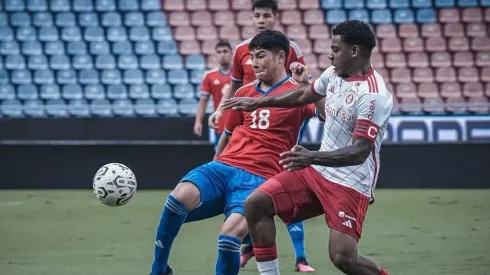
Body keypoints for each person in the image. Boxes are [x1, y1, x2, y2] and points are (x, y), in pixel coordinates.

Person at [223, 20, 393, 275]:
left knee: (343, 258)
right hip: (316, 171)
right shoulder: (334, 73)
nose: (329, 54)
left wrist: (311, 156)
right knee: (255, 204)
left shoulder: (373, 95)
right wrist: (261, 102)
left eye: (335, 49)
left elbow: (359, 151)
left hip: (351, 182)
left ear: (355, 51)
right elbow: (304, 95)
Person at [150, 30, 321, 275]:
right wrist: (214, 164)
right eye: (252, 56)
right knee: (178, 197)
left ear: (281, 56)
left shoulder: (300, 92)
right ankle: (158, 270)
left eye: (261, 56)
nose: (254, 62)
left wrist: (308, 85)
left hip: (261, 179)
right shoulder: (244, 93)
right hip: (224, 167)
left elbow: (327, 115)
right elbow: (228, 134)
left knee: (228, 239)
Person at [208, 1, 316, 271]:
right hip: (248, 120)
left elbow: (302, 90)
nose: (261, 20)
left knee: (281, 186)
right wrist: (222, 111)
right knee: (248, 196)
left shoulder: (291, 49)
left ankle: (300, 256)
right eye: (256, 15)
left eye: (266, 15)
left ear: (275, 18)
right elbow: (235, 87)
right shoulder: (240, 50)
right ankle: (247, 247)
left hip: (281, 123)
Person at [193, 41, 233, 149]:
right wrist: (198, 122)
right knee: (220, 158)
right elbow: (203, 101)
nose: (222, 55)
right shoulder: (209, 76)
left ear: (231, 53)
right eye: (219, 52)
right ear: (216, 55)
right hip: (219, 124)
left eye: (225, 51)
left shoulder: (241, 75)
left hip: (239, 124)